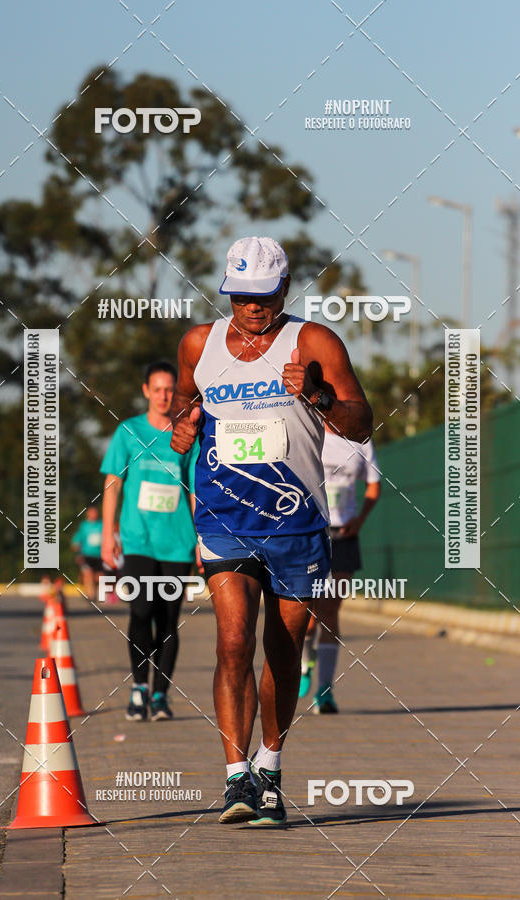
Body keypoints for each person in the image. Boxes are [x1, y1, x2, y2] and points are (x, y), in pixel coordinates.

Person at [170, 236, 372, 826]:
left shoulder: (313, 341)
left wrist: (316, 394)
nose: (252, 308)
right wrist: (184, 428)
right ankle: (236, 779)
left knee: (283, 655)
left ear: (284, 289)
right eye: (240, 297)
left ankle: (271, 766)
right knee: (233, 640)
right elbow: (187, 405)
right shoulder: (198, 343)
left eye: (263, 297)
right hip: (224, 515)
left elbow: (360, 424)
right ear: (226, 291)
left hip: (297, 521)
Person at [100, 362, 198, 722]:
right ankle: (139, 687)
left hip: (177, 540)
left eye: (170, 389)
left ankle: (160, 696)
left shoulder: (187, 435)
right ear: (145, 391)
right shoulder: (128, 432)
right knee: (140, 610)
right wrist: (108, 534)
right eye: (157, 389)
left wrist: (202, 538)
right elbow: (113, 483)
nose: (164, 396)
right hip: (137, 539)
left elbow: (194, 490)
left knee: (168, 619)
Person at [299, 429, 381, 712]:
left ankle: (324, 690)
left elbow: (374, 486)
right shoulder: (308, 430)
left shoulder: (361, 440)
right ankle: (304, 662)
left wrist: (359, 520)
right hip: (310, 534)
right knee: (307, 615)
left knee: (331, 609)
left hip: (344, 535)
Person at [70, 505, 104, 601]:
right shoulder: (84, 526)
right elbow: (76, 540)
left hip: (99, 555)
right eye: (91, 512)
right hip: (86, 555)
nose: (93, 514)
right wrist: (76, 550)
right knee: (88, 573)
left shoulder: (102, 524)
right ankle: (91, 596)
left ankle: (93, 591)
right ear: (87, 514)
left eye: (95, 512)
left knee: (99, 576)